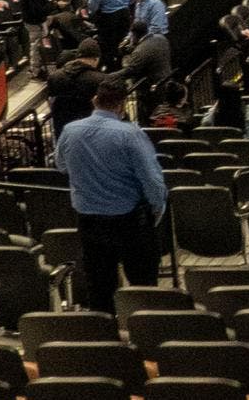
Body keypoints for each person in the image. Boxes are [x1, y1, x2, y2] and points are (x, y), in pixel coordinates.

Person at [57, 77, 168, 315]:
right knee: (143, 286)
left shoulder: (70, 131)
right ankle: (144, 335)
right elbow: (152, 179)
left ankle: (105, 339)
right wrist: (157, 209)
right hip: (129, 221)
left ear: (95, 100)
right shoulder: (130, 134)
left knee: (98, 287)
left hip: (88, 220)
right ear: (121, 105)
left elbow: (61, 165)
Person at [45, 42, 110, 135]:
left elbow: (50, 100)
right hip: (91, 131)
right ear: (96, 59)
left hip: (63, 129)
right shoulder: (100, 79)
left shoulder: (54, 77)